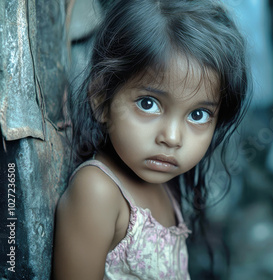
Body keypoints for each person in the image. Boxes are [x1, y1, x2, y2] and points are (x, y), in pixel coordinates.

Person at [52, 0, 250, 279]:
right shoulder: (98, 192)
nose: (171, 138)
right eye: (148, 104)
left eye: (198, 114)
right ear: (101, 99)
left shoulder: (165, 182)